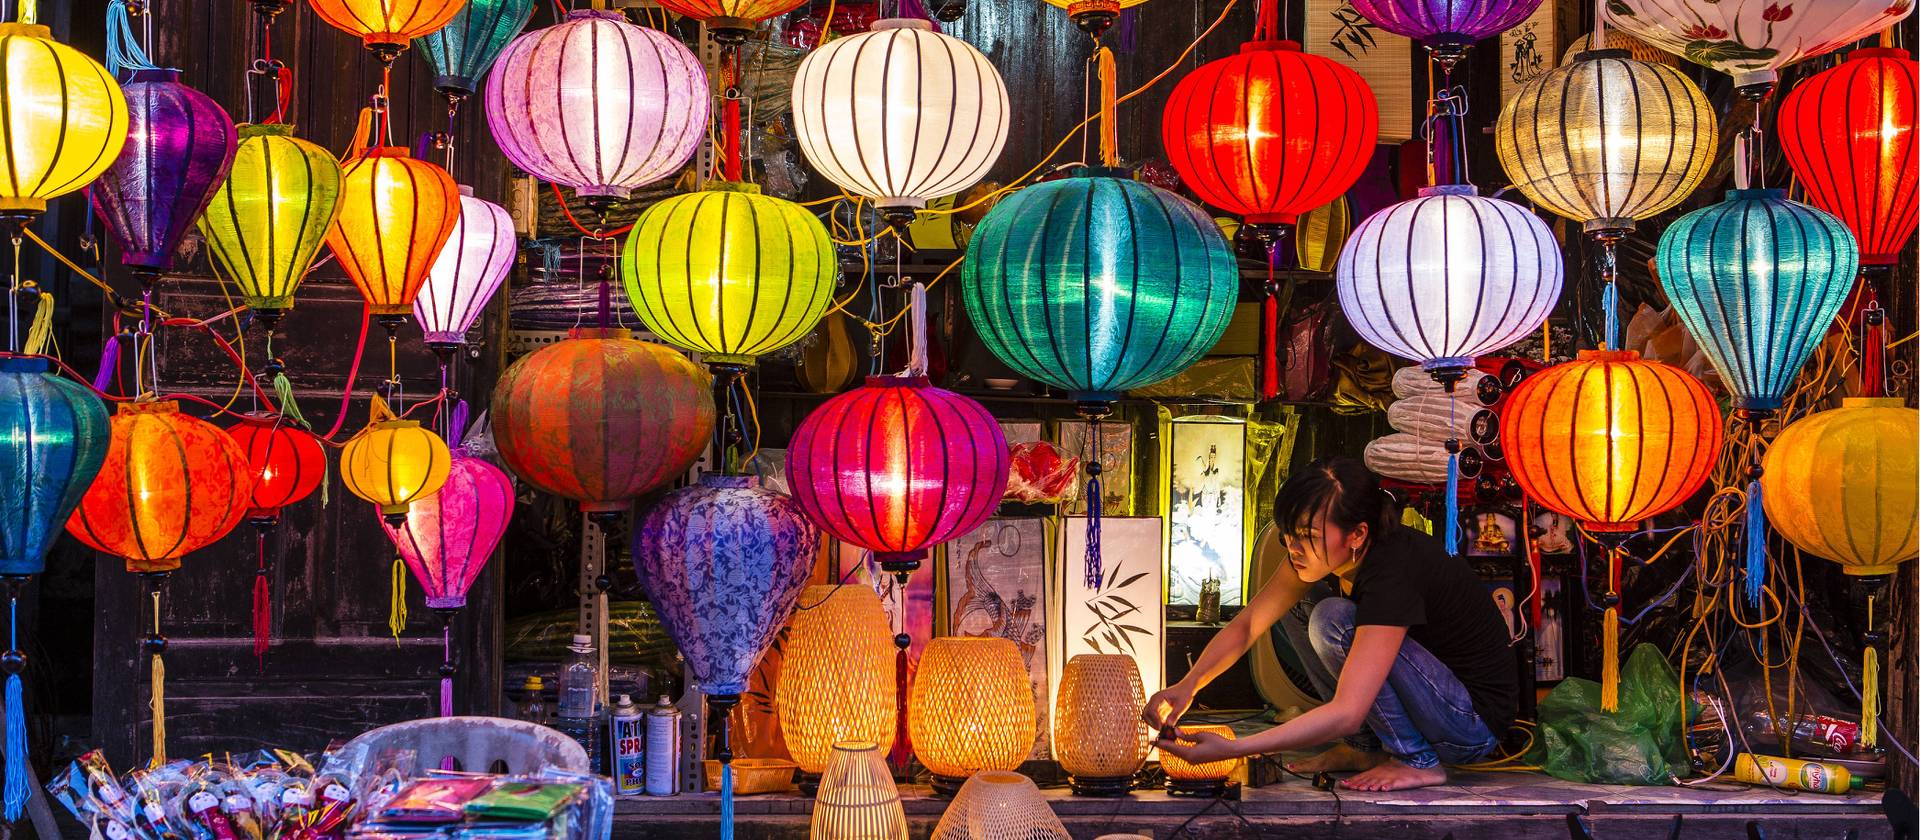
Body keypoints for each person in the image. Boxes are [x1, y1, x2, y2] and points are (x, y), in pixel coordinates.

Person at [1146, 457, 1517, 792]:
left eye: (1307, 537)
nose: (1293, 548)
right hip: (1430, 704)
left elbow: (1347, 711)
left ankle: (1417, 761)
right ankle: (1365, 749)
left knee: (1332, 620)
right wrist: (1187, 686)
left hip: (1468, 725)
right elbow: (1247, 626)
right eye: (1287, 535)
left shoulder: (1393, 571)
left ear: (1357, 534)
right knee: (1301, 605)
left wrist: (1235, 748)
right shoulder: (1316, 557)